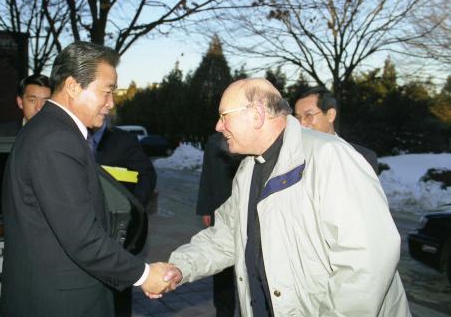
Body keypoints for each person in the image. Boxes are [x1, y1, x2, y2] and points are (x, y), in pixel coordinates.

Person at [164, 78, 410, 316]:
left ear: (257, 114)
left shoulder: (329, 157)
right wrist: (180, 267)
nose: (218, 126)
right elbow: (228, 234)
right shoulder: (248, 168)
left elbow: (368, 260)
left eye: (224, 115)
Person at [0, 41, 171, 317]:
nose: (111, 103)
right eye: (107, 91)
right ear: (72, 86)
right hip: (62, 304)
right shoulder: (56, 139)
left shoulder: (49, 131)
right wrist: (144, 274)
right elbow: (82, 238)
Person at [91, 121, 157, 317]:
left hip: (115, 233)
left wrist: (132, 208)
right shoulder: (69, 137)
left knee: (117, 293)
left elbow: (147, 174)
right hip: (82, 227)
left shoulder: (123, 140)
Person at [197, 132, 241, 317]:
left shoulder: (252, 139)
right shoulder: (214, 141)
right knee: (222, 268)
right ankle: (223, 311)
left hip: (246, 209)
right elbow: (207, 175)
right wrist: (206, 208)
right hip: (219, 210)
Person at [294, 86, 379, 174]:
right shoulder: (293, 158)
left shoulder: (361, 157)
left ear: (331, 115)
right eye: (297, 117)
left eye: (308, 115)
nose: (301, 123)